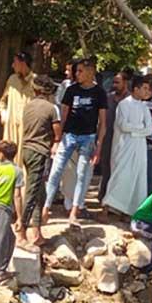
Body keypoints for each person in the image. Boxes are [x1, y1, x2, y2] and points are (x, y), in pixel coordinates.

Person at [43, 58, 107, 226]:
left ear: (91, 72)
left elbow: (103, 123)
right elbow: (62, 116)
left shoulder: (99, 93)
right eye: (75, 71)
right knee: (56, 171)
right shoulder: (71, 90)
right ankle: (46, 208)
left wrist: (98, 147)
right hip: (69, 136)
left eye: (80, 71)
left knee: (81, 175)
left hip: (88, 138)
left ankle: (74, 211)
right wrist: (57, 140)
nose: (76, 74)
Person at [19, 75, 61, 248]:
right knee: (32, 193)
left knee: (39, 193)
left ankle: (36, 232)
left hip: (26, 151)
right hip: (40, 153)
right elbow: (57, 132)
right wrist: (56, 143)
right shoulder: (52, 109)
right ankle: (21, 232)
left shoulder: (28, 106)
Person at [103, 75, 152, 219]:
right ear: (136, 89)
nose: (146, 92)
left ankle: (129, 211)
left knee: (137, 178)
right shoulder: (124, 104)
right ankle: (107, 207)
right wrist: (139, 129)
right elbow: (123, 126)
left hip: (139, 148)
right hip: (123, 147)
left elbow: (149, 129)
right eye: (144, 88)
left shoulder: (144, 107)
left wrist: (135, 130)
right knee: (120, 176)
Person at [0, 141, 24, 285]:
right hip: (3, 209)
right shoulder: (17, 171)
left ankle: (1, 270)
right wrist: (19, 217)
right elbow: (17, 195)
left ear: (1, 154)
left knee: (10, 238)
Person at [98, 68, 132, 202]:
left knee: (119, 169)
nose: (114, 85)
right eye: (113, 82)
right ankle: (104, 197)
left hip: (123, 140)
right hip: (108, 137)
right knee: (106, 167)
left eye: (117, 82)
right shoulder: (108, 98)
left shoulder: (130, 100)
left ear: (125, 83)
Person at [0, 51, 35, 165]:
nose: (12, 65)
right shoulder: (12, 79)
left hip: (27, 126)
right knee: (7, 153)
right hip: (11, 125)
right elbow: (2, 101)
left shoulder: (35, 80)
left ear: (23, 63)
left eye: (15, 62)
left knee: (24, 155)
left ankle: (22, 181)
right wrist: (4, 115)